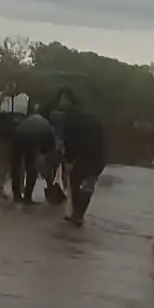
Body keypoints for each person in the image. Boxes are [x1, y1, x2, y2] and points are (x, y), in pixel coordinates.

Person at [53, 93, 105, 226]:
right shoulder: (92, 116)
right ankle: (79, 215)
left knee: (75, 183)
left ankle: (76, 214)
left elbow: (70, 140)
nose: (60, 102)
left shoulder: (69, 117)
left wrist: (69, 160)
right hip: (99, 156)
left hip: (83, 156)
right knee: (88, 185)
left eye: (63, 100)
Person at [0, 80, 31, 196]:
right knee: (3, 161)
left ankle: (20, 189)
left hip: (21, 135)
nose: (11, 87)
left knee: (20, 162)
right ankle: (0, 187)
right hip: (4, 135)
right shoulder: (1, 97)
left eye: (13, 84)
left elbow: (30, 114)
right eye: (8, 84)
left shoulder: (25, 98)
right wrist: (1, 95)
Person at [8, 111, 59, 204]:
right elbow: (49, 162)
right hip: (31, 136)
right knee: (32, 167)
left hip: (17, 133)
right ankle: (27, 198)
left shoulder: (45, 127)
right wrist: (49, 183)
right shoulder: (51, 134)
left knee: (16, 166)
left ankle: (17, 197)